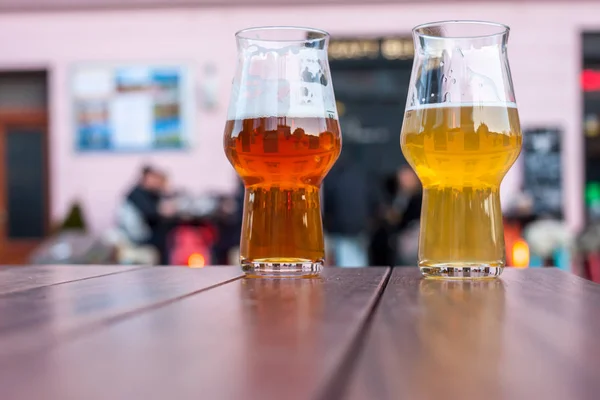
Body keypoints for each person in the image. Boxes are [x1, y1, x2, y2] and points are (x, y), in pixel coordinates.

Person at [123, 165, 177, 265]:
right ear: (145, 177)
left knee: (170, 232)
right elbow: (151, 213)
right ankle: (165, 266)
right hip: (139, 236)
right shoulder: (137, 193)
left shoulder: (151, 192)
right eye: (153, 178)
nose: (156, 181)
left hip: (147, 231)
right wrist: (162, 210)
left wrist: (164, 190)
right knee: (166, 236)